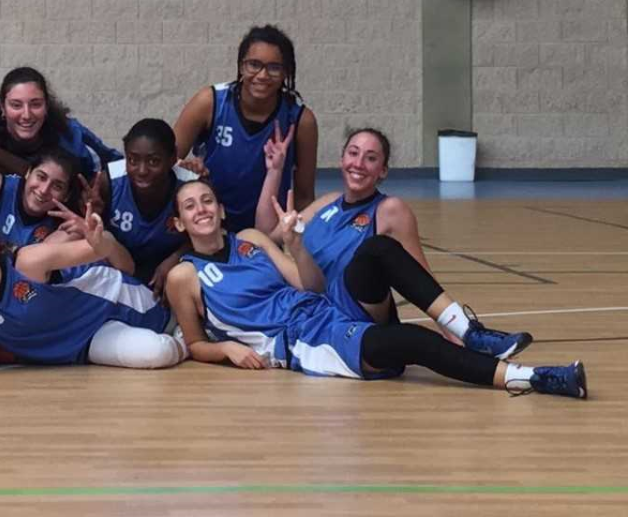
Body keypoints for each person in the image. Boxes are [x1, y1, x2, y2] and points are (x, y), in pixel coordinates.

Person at [164, 179, 587, 399]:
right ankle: (534, 378)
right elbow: (196, 342)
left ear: (220, 209)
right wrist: (227, 351)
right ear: (180, 223)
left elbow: (309, 284)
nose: (201, 209)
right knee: (411, 341)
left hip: (325, 307)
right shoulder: (184, 276)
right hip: (304, 341)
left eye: (206, 201)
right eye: (190, 206)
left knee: (379, 248)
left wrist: (294, 244)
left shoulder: (252, 239)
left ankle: (467, 330)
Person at [253, 127, 531, 358]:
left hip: (361, 315)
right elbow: (264, 234)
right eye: (353, 153)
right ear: (341, 160)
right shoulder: (325, 204)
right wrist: (275, 171)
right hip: (320, 320)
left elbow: (422, 279)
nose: (359, 163)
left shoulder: (390, 210)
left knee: (373, 253)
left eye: (371, 158)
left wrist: (457, 336)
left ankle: (471, 334)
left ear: (383, 171)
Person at [0, 208, 185, 375]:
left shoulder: (28, 261)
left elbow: (99, 251)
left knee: (166, 324)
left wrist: (98, 238)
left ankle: (188, 336)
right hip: (86, 344)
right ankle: (185, 340)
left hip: (110, 302)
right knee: (155, 354)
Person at [172, 24, 317, 231]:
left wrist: (301, 241)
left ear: (286, 72)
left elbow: (304, 195)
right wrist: (189, 169)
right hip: (210, 225)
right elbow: (166, 160)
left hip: (267, 231)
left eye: (274, 67)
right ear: (241, 66)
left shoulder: (302, 120)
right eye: (254, 64)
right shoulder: (210, 102)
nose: (262, 75)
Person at [82, 118, 198, 292]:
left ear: (173, 157)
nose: (142, 171)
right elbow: (94, 240)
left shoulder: (192, 187)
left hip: (170, 273)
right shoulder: (108, 183)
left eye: (153, 161)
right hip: (120, 270)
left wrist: (177, 258)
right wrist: (96, 216)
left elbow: (208, 236)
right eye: (133, 160)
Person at [0, 66, 120, 178]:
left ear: (46, 106)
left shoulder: (69, 134)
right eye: (16, 105)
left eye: (35, 104)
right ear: (2, 107)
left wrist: (101, 187)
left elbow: (119, 165)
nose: (26, 115)